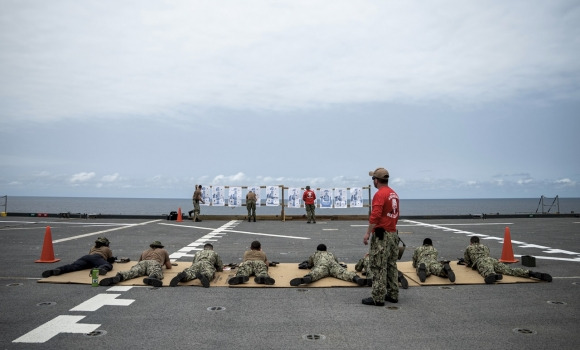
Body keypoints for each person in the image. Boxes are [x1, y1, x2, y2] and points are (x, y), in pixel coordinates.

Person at [362, 167, 400, 306]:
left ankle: (378, 297)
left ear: (376, 180)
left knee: (378, 265)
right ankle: (393, 293)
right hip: (392, 233)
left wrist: (368, 233)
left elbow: (375, 215)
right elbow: (396, 214)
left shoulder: (380, 194)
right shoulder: (393, 194)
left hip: (381, 235)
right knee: (391, 265)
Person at [463, 236, 552, 284]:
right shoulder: (485, 246)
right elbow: (487, 254)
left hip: (481, 261)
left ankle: (493, 276)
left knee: (486, 270)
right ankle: (530, 273)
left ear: (471, 242)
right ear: (479, 241)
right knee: (509, 270)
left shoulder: (469, 248)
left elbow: (467, 261)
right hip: (492, 259)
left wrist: (468, 263)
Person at [99, 240, 172, 287]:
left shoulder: (145, 251)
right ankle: (152, 278)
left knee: (133, 272)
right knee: (156, 271)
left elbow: (139, 262)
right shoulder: (163, 251)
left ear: (152, 246)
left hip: (143, 263)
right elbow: (169, 266)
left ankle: (119, 276)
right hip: (154, 262)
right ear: (160, 247)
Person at [290, 244, 369, 286]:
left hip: (322, 265)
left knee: (316, 273)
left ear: (317, 250)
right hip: (333, 265)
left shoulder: (315, 254)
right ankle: (356, 279)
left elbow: (310, 264)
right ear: (326, 250)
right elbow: (337, 262)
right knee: (345, 273)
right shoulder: (330, 253)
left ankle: (307, 278)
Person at [42, 237, 114, 277]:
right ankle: (99, 269)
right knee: (108, 265)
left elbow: (90, 257)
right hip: (97, 257)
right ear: (106, 244)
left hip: (86, 257)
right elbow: (110, 260)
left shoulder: (93, 247)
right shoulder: (107, 249)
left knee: (73, 266)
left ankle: (59, 270)